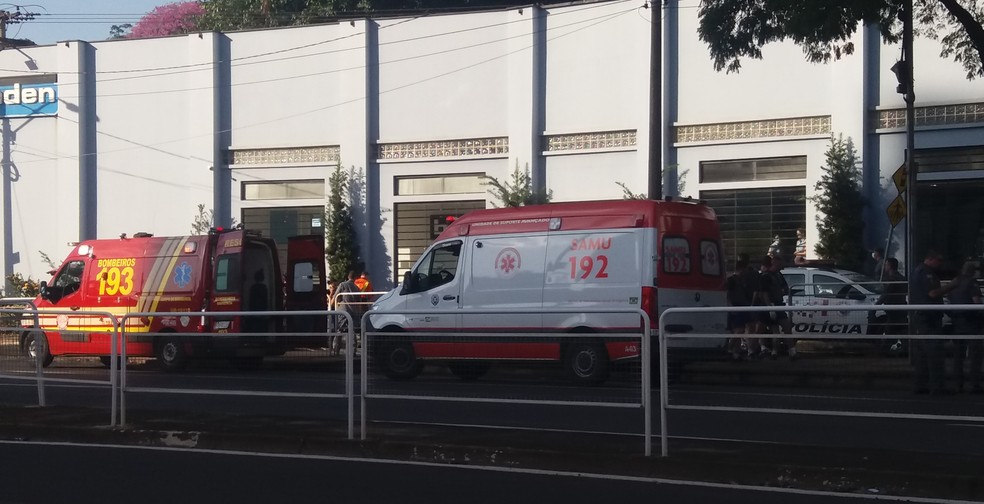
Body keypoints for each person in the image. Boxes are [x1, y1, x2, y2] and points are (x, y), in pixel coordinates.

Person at [909, 250, 956, 395]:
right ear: (930, 259)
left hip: (924, 317)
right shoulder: (926, 273)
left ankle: (921, 385)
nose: (940, 264)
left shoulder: (919, 271)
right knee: (934, 352)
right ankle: (937, 386)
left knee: (923, 354)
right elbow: (933, 293)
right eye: (939, 260)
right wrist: (952, 285)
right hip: (927, 318)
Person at [946, 260, 983, 393]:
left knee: (958, 355)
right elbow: (976, 302)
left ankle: (958, 384)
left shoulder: (955, 282)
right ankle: (974, 384)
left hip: (957, 322)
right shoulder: (972, 283)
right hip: (971, 321)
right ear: (973, 271)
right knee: (975, 354)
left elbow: (949, 298)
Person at [759, 255, 796, 360]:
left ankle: (780, 351)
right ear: (774, 263)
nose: (782, 266)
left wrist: (783, 291)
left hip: (777, 304)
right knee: (771, 328)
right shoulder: (766, 276)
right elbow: (764, 293)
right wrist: (769, 307)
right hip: (771, 305)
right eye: (779, 264)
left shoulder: (778, 275)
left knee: (779, 328)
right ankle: (764, 349)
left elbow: (785, 287)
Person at [726, 254, 759, 360]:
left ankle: (739, 352)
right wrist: (730, 307)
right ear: (741, 269)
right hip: (736, 307)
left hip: (744, 306)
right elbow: (727, 295)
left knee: (745, 328)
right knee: (739, 330)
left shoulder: (743, 281)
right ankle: (730, 348)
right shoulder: (731, 280)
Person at [876, 257, 908, 353]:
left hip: (893, 309)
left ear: (889, 266)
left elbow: (886, 294)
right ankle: (902, 347)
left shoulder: (891, 279)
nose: (885, 266)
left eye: (886, 265)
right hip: (900, 307)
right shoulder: (902, 278)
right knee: (901, 329)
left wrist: (876, 305)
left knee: (891, 328)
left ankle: (885, 349)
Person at [332, 271, 361, 355]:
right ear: (355, 278)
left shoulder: (343, 285)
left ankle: (336, 350)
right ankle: (353, 351)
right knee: (352, 331)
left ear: (348, 277)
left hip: (343, 310)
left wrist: (333, 304)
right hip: (354, 311)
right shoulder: (357, 288)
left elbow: (336, 296)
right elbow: (359, 300)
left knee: (340, 330)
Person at [246, 270, 269, 334]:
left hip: (253, 311)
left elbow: (250, 301)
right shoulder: (264, 287)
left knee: (255, 328)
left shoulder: (253, 287)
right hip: (262, 311)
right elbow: (265, 300)